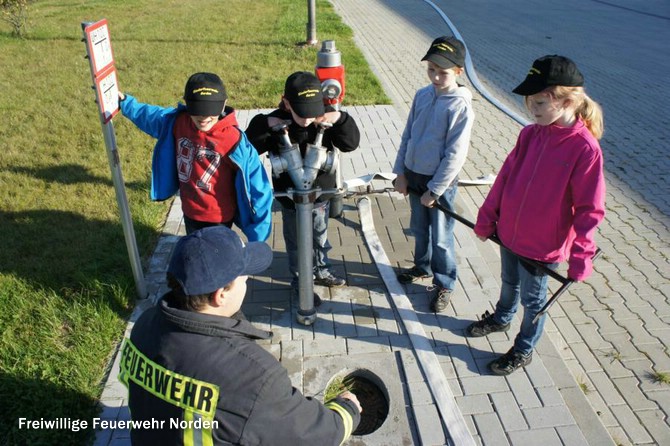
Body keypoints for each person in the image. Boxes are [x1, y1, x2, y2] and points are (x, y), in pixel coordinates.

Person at [119, 226, 362, 445]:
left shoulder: (145, 325)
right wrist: (346, 410)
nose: (247, 282)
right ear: (220, 295)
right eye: (244, 277)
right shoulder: (255, 378)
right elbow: (313, 435)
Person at [466, 55, 606, 376]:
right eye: (529, 101)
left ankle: (524, 347)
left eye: (540, 102)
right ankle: (502, 317)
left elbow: (589, 209)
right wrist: (489, 215)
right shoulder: (531, 134)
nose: (532, 109)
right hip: (510, 232)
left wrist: (581, 256)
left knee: (534, 301)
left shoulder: (584, 150)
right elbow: (505, 176)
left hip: (542, 248)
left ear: (569, 101)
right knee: (508, 283)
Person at [245, 71, 360, 303]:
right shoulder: (276, 121)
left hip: (320, 197)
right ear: (286, 102)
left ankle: (320, 269)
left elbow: (351, 144)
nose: (308, 119)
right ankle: (301, 281)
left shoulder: (324, 120)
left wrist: (340, 119)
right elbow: (248, 146)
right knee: (297, 242)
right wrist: (265, 123)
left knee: (320, 236)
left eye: (312, 112)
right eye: (301, 113)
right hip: (291, 201)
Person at [118, 72, 273, 241]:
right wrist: (125, 103)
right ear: (187, 104)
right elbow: (150, 116)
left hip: (219, 217)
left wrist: (259, 236)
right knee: (196, 251)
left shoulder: (233, 140)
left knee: (214, 261)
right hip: (190, 210)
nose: (204, 117)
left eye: (210, 111)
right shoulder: (177, 122)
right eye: (198, 110)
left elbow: (259, 186)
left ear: (223, 105)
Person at [393, 36, 475, 313]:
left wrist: (436, 190)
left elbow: (455, 155)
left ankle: (445, 282)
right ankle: (422, 266)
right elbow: (408, 136)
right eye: (431, 70)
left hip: (438, 183)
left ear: (458, 73)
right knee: (418, 228)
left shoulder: (459, 106)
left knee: (441, 237)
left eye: (443, 72)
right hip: (413, 175)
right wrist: (400, 173)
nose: (436, 77)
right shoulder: (422, 95)